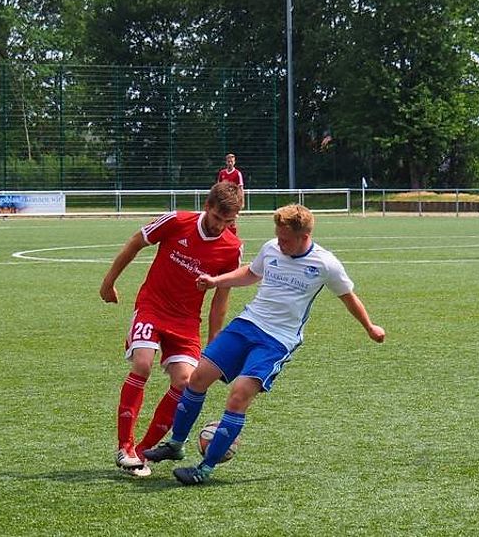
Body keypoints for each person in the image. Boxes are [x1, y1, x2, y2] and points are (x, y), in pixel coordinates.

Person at [143, 203, 385, 485]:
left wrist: (370, 326)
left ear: (304, 237)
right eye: (278, 236)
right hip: (246, 324)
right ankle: (176, 444)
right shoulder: (271, 248)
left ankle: (204, 469)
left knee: (239, 395)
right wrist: (216, 281)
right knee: (197, 378)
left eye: (286, 239)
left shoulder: (325, 264)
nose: (279, 243)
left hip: (277, 340)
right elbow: (251, 273)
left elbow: (348, 297)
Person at [100, 181, 243, 477]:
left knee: (184, 381)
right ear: (207, 207)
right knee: (142, 364)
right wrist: (108, 282)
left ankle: (142, 453)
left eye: (228, 221)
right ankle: (124, 447)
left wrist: (214, 341)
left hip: (187, 321)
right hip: (152, 307)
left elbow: (221, 297)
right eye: (217, 218)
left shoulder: (232, 248)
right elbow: (135, 242)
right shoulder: (177, 221)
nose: (220, 226)